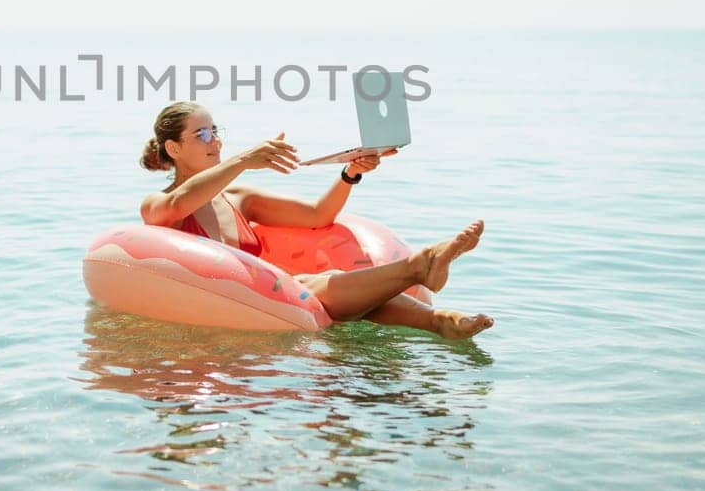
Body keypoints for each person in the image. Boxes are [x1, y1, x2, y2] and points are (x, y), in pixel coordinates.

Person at [138, 101, 493, 339]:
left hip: (272, 299)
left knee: (323, 287)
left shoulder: (238, 198)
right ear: (174, 148)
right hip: (225, 305)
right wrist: (245, 159)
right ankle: (419, 268)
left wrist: (350, 173)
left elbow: (317, 216)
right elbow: (176, 205)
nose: (214, 141)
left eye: (216, 131)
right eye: (202, 134)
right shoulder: (158, 203)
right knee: (315, 285)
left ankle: (440, 321)